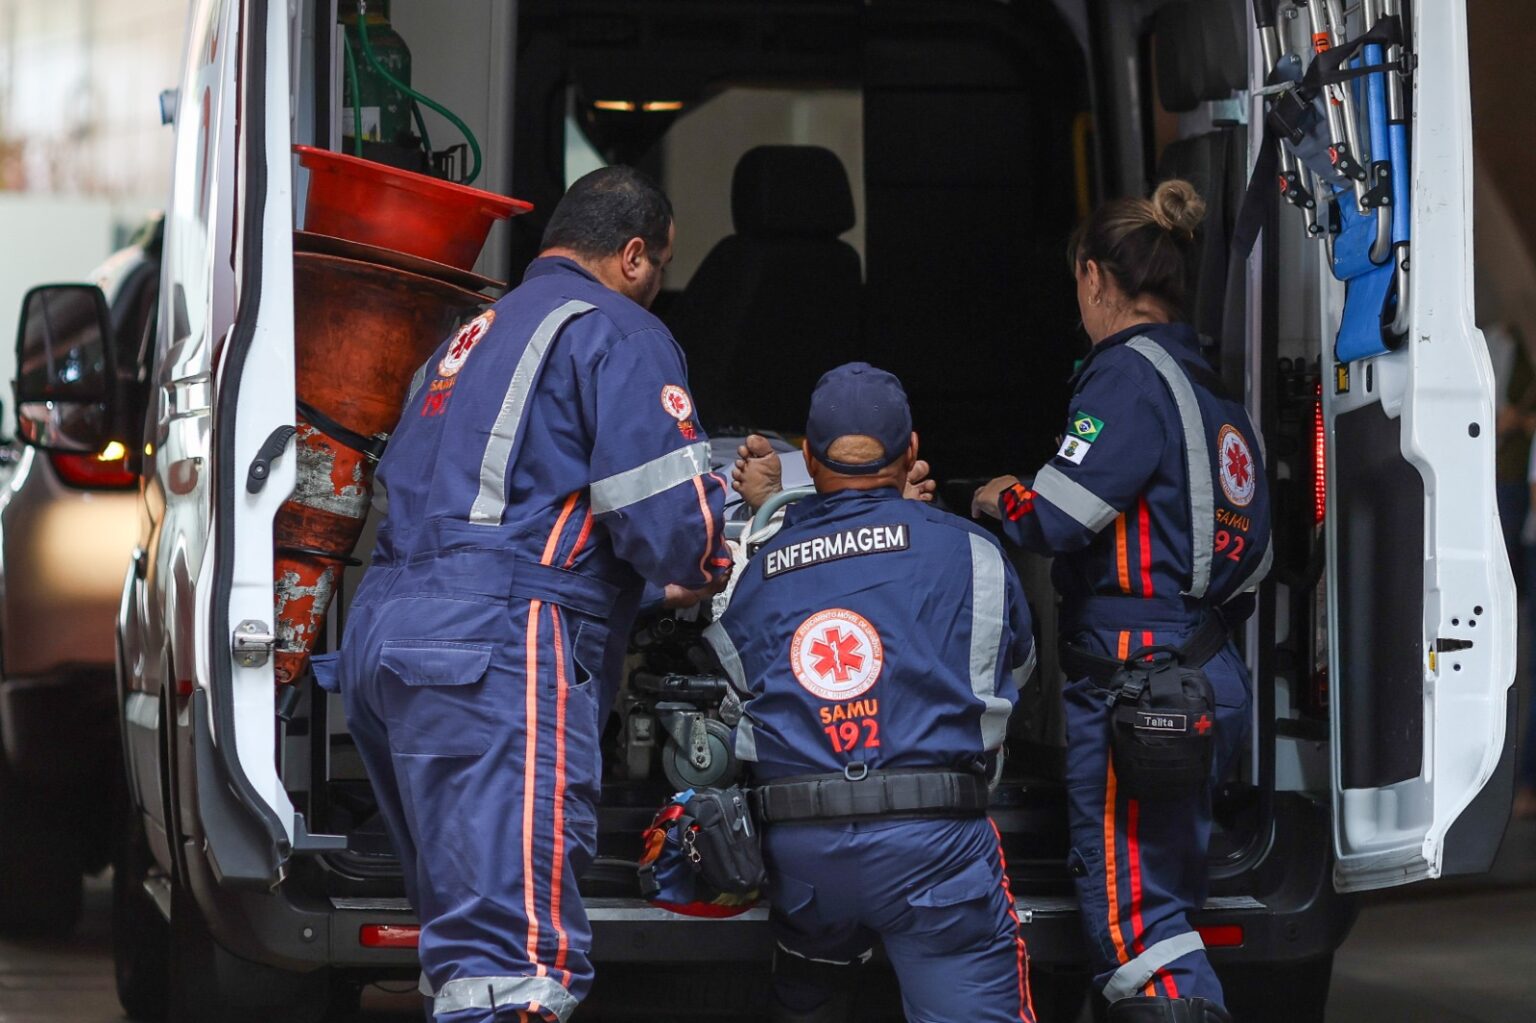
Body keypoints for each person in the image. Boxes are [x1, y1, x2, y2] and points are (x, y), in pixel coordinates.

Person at [339, 165, 732, 1023]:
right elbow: (673, 526)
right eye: (660, 268)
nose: (655, 287)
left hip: (390, 639)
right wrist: (713, 546)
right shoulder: (616, 328)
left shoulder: (466, 337)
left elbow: (490, 518)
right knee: (512, 962)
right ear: (634, 255)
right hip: (495, 652)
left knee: (465, 947)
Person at [972, 180, 1271, 1023]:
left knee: (1136, 921)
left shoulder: (1126, 377)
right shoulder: (1214, 390)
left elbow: (1060, 513)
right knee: (1163, 899)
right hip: (1206, 674)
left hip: (1137, 687)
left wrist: (1001, 495)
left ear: (1095, 277)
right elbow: (1255, 555)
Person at [707, 363, 1037, 1023]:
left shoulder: (761, 572)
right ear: (911, 450)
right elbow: (1016, 670)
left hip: (805, 862)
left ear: (808, 456)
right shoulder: (974, 553)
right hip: (937, 853)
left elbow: (738, 703)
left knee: (809, 986)